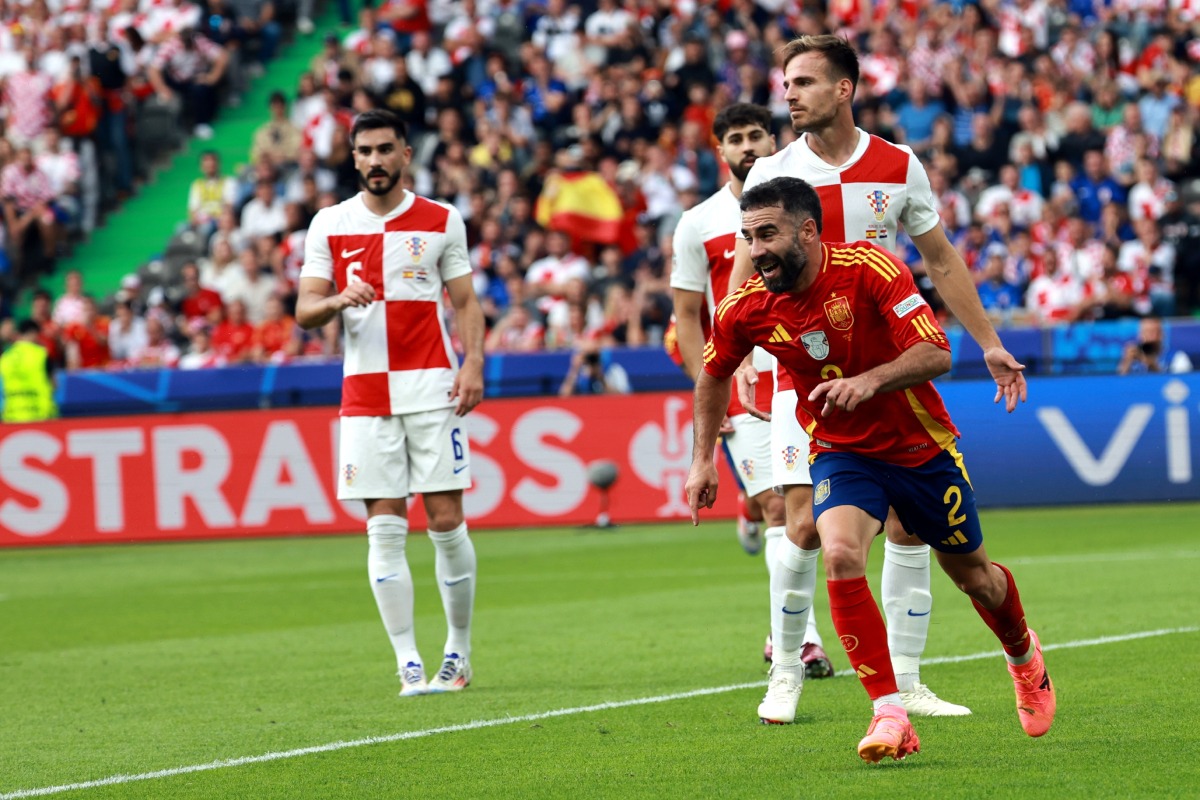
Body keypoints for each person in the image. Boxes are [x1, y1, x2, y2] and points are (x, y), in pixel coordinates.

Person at [690, 176, 1057, 762]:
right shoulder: (747, 307)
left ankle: (1022, 653)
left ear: (808, 231)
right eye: (748, 236)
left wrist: (871, 379)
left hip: (921, 449)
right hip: (842, 450)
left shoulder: (870, 269)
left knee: (975, 579)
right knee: (836, 552)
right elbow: (711, 376)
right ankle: (889, 712)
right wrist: (701, 459)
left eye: (768, 234)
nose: (755, 250)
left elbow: (938, 351)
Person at [726, 35, 1028, 723]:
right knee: (802, 527)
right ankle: (786, 672)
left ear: (844, 89)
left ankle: (909, 681)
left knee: (909, 526)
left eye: (803, 82)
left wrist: (988, 342)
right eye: (787, 82)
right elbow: (747, 275)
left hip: (888, 374)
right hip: (802, 378)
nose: (790, 94)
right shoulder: (775, 169)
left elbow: (942, 260)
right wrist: (741, 355)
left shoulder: (897, 165)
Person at [297, 109, 485, 697]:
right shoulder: (328, 223)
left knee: (447, 523)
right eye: (365, 151)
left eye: (385, 149)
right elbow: (304, 309)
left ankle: (457, 650)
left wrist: (474, 361)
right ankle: (407, 660)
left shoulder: (440, 219)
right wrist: (334, 302)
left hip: (432, 385)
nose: (375, 160)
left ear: (406, 154)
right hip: (366, 394)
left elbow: (465, 301)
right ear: (353, 158)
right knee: (384, 529)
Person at [669, 102, 833, 693]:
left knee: (806, 516)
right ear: (720, 149)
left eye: (756, 136)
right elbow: (688, 316)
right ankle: (798, 637)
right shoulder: (697, 222)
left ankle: (789, 634)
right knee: (774, 507)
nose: (747, 147)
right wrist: (708, 380)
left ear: (774, 139)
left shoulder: (795, 207)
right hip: (738, 379)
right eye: (735, 138)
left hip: (801, 367)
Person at [1, 319, 57, 422]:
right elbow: (54, 384)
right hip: (41, 415)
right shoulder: (42, 354)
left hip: (11, 416)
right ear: (33, 333)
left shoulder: (5, 358)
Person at [1117, 316, 1193, 375]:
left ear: (1162, 335)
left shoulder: (1177, 357)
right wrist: (1126, 363)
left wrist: (1154, 367)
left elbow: (1181, 384)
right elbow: (1118, 385)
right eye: (1145, 332)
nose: (1149, 337)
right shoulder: (1133, 357)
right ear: (1139, 335)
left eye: (1153, 332)